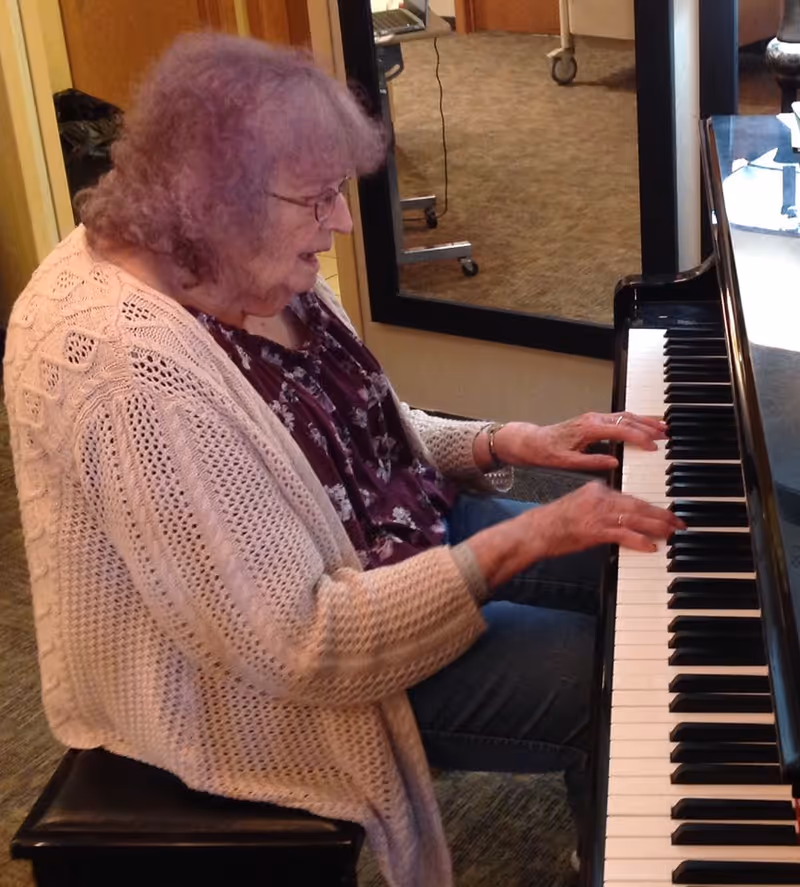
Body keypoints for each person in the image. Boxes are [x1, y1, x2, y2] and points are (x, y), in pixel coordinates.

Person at [3, 33, 681, 887]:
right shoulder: (122, 366)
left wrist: (498, 442)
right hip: (264, 679)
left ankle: (611, 833)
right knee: (624, 682)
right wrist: (528, 537)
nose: (344, 221)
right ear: (216, 197)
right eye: (319, 197)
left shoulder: (243, 259)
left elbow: (355, 429)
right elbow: (299, 646)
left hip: (386, 545)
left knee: (640, 574)